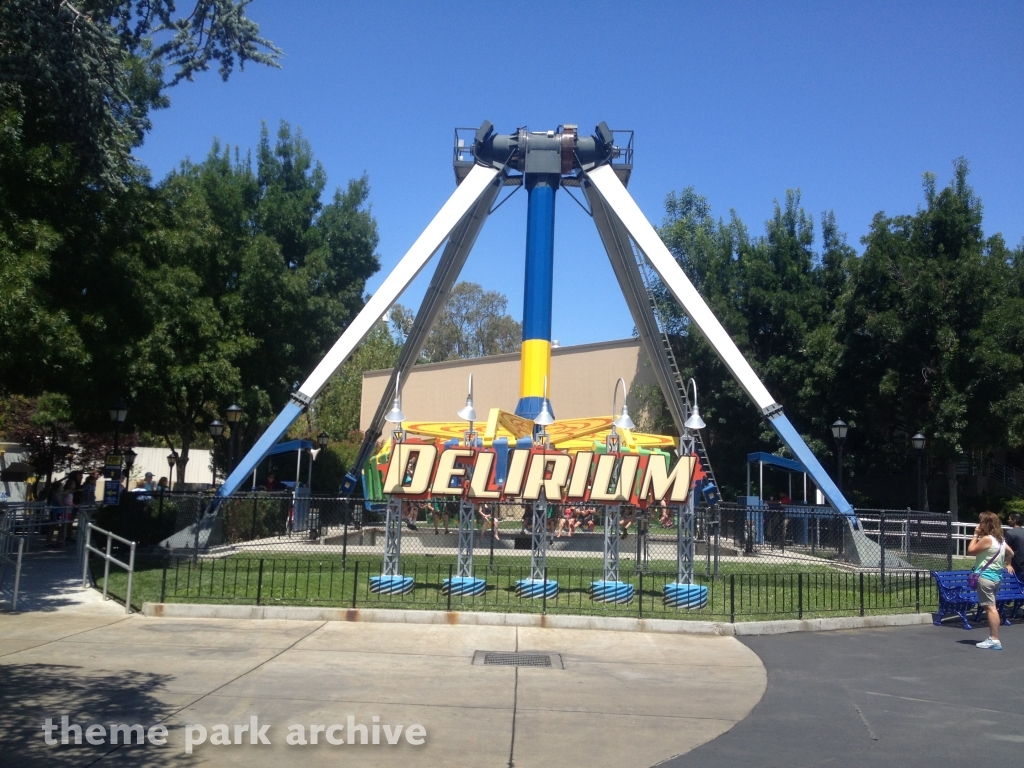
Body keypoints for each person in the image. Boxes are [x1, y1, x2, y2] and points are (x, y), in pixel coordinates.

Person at [967, 511, 1015, 650]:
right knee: (991, 606)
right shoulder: (1000, 539)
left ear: (986, 524)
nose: (978, 524)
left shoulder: (987, 539)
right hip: (996, 577)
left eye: (980, 521)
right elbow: (1011, 553)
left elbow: (971, 550)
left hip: (986, 577)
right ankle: (993, 638)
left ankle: (994, 639)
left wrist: (975, 535)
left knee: (990, 608)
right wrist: (1007, 562)